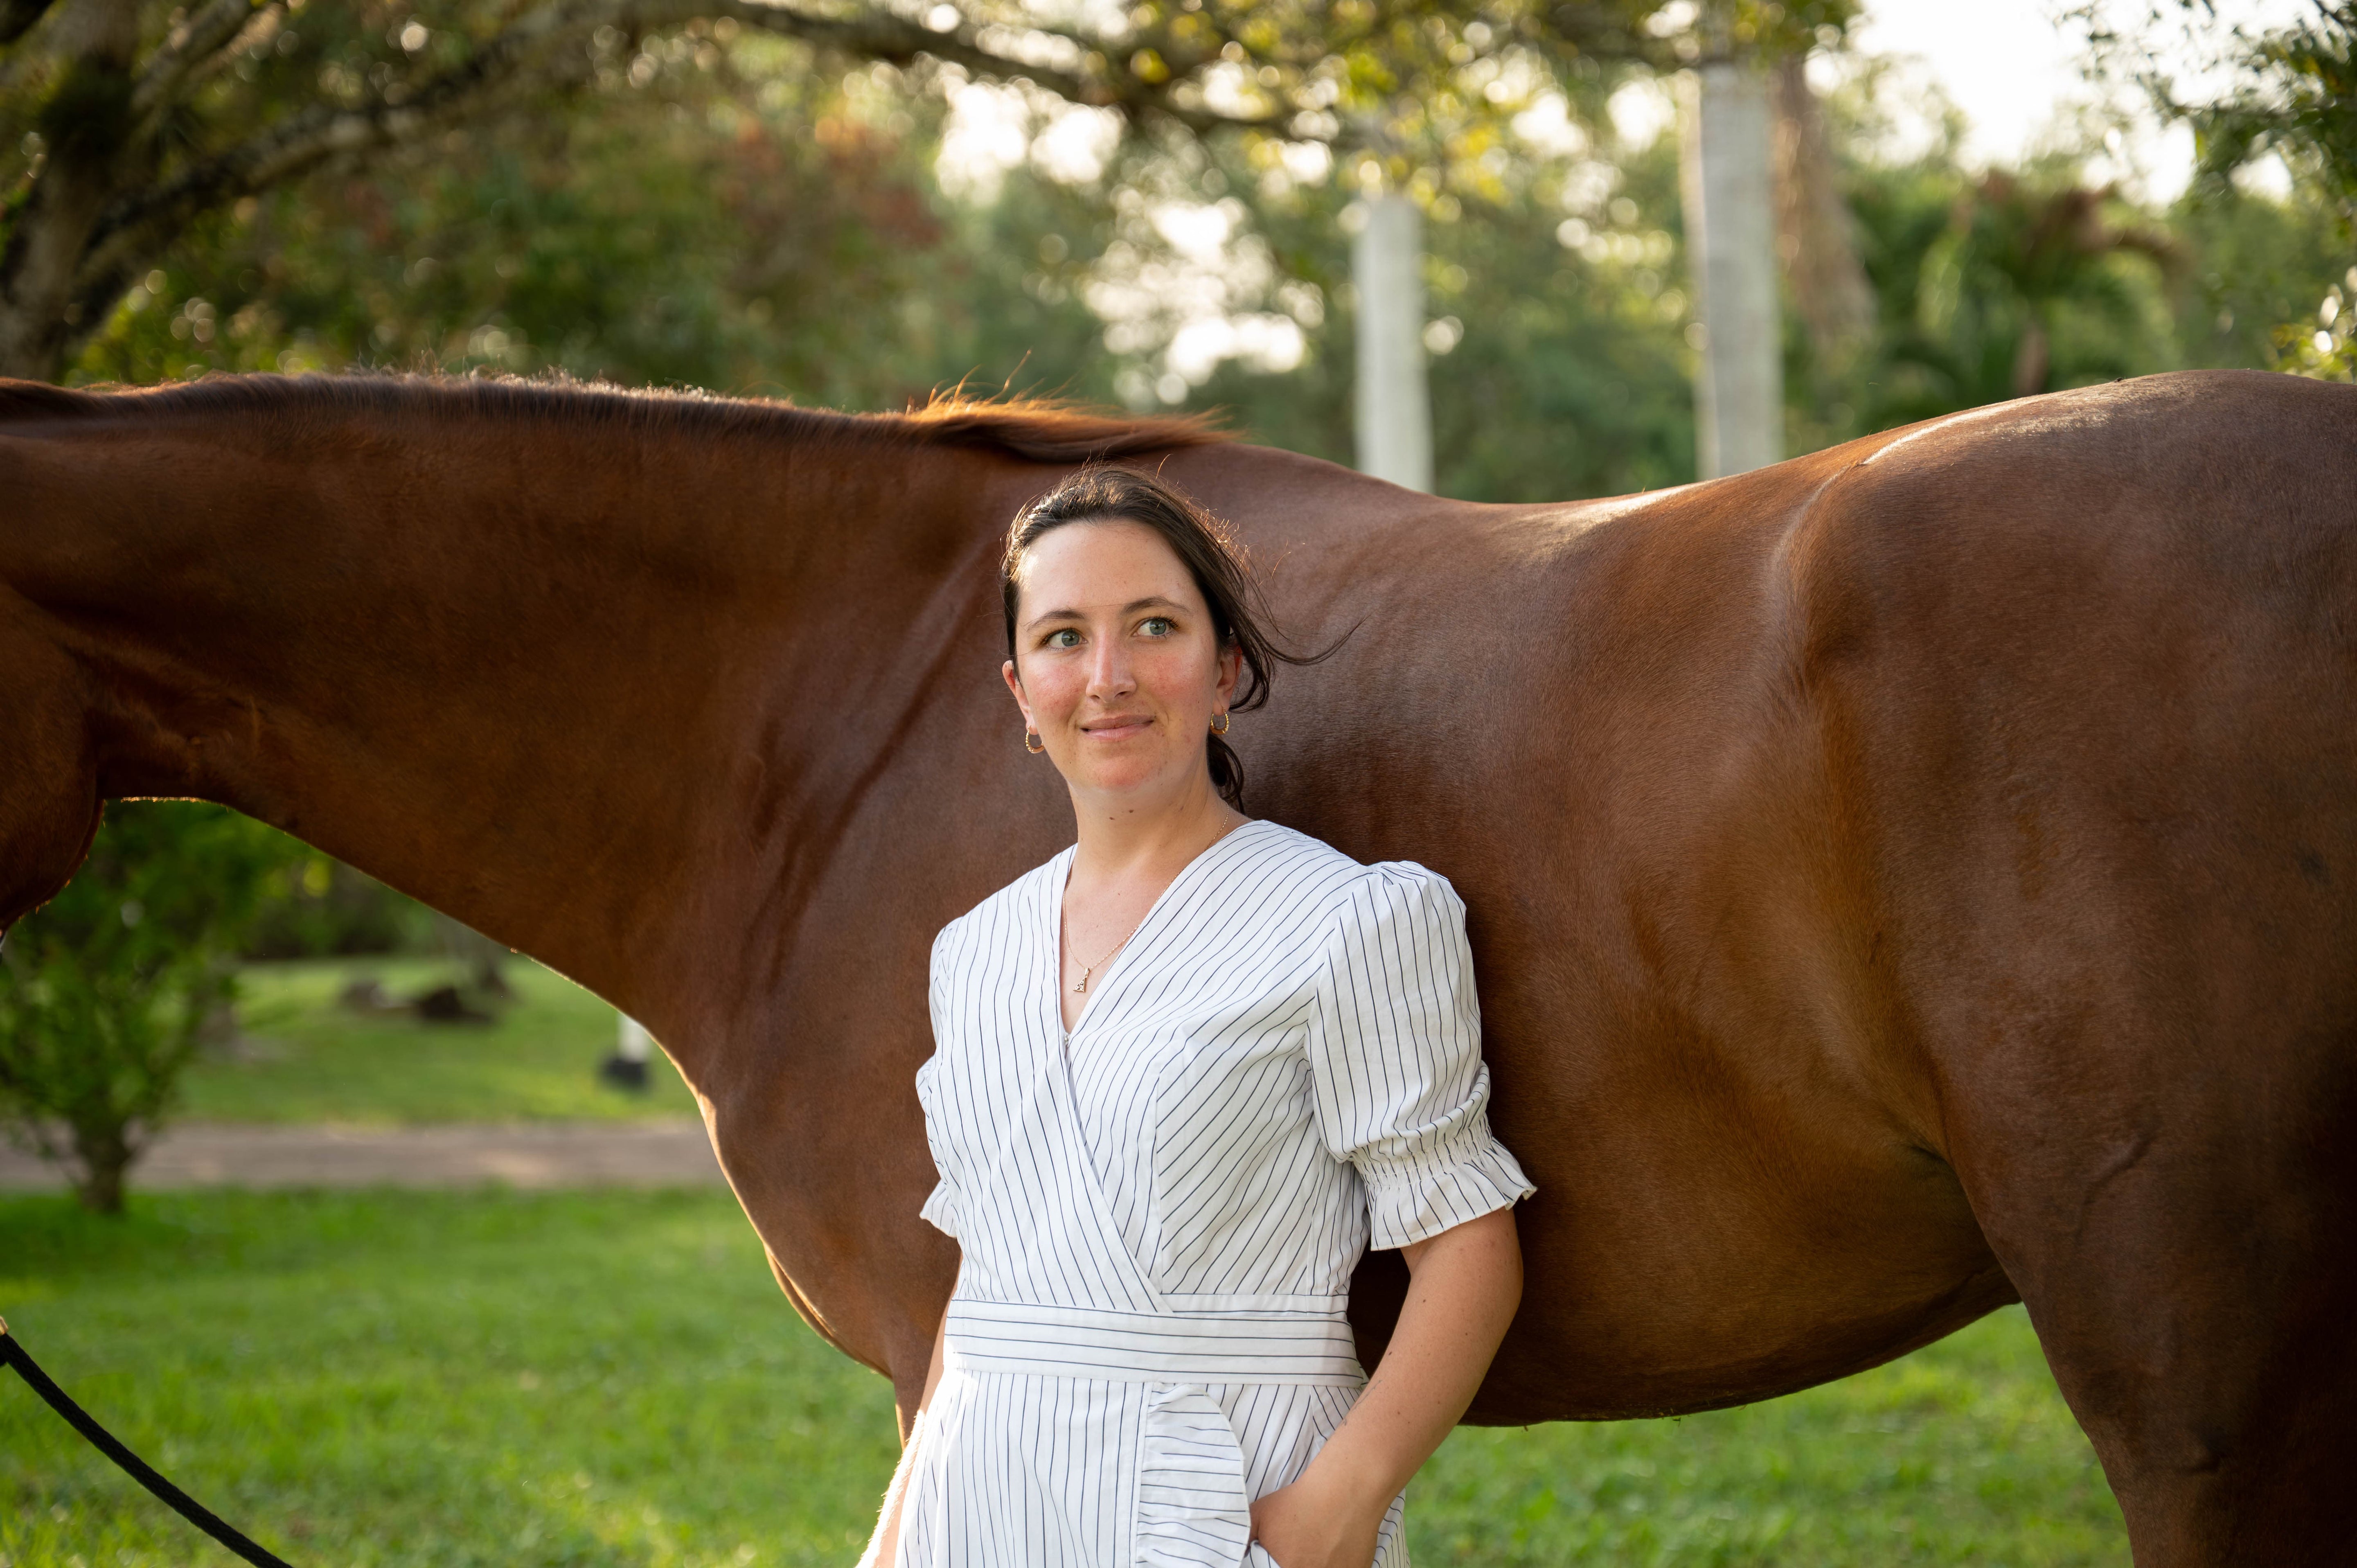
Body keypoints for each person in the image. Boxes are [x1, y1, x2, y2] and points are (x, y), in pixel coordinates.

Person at [866, 466, 1533, 1568]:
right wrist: (893, 1545)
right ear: (1020, 688)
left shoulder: (1348, 920)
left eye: (1154, 627)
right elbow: (993, 1285)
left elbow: (1468, 1251)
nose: (1109, 677)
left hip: (1225, 1503)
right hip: (978, 1503)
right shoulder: (971, 952)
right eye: (1064, 637)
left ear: (1223, 672)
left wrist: (1341, 1505)